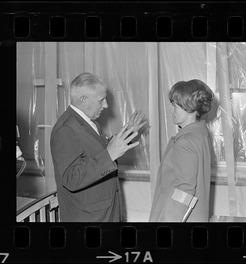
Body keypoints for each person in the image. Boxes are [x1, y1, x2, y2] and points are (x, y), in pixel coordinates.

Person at [50, 72, 146, 222]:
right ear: (83, 100)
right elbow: (71, 178)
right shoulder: (66, 129)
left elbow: (97, 152)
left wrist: (128, 133)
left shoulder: (90, 122)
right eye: (101, 100)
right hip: (88, 218)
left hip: (103, 213)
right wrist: (110, 154)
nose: (106, 105)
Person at [149, 79, 214, 222]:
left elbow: (184, 189)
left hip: (174, 218)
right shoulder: (200, 135)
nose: (171, 111)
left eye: (175, 106)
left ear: (188, 107)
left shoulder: (185, 142)